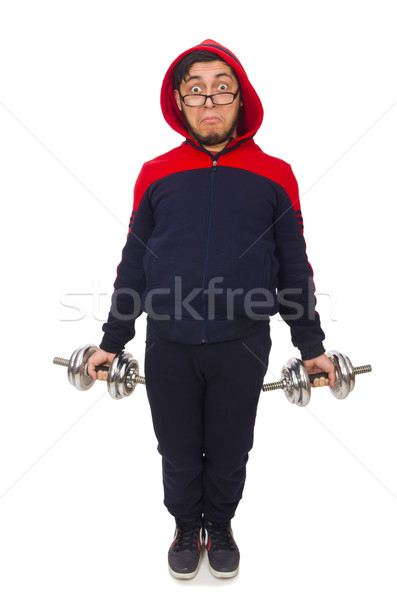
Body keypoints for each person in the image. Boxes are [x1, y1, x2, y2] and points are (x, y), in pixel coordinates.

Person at [87, 39, 336, 580]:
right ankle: (184, 525)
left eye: (221, 89)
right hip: (170, 341)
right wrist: (113, 340)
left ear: (240, 99)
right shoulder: (155, 173)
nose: (209, 101)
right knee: (176, 451)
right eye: (195, 91)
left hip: (242, 341)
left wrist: (311, 348)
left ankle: (219, 526)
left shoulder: (277, 174)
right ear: (179, 103)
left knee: (229, 449)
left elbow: (295, 265)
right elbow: (134, 262)